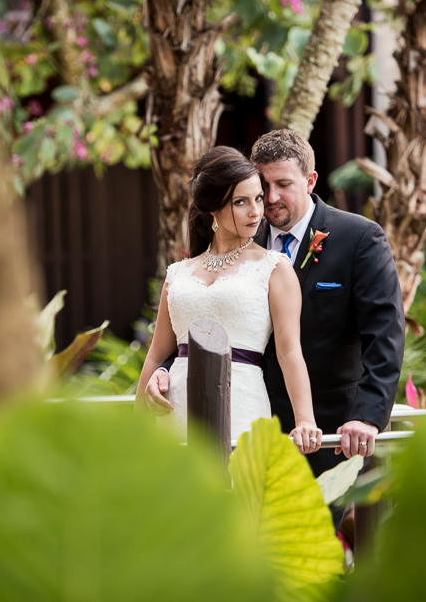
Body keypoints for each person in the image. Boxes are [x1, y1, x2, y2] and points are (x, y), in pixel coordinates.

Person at [144, 130, 405, 478]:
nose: (269, 198)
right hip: (248, 414)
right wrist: (161, 374)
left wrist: (367, 415)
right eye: (261, 185)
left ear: (310, 181)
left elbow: (385, 336)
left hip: (327, 429)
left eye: (283, 184)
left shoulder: (359, 239)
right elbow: (194, 324)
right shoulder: (244, 233)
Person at [134, 146, 323, 454]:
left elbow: (289, 352)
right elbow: (156, 355)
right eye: (241, 202)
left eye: (258, 198)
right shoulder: (178, 273)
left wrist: (305, 420)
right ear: (213, 208)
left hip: (243, 407)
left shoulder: (274, 268)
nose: (256, 211)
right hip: (174, 413)